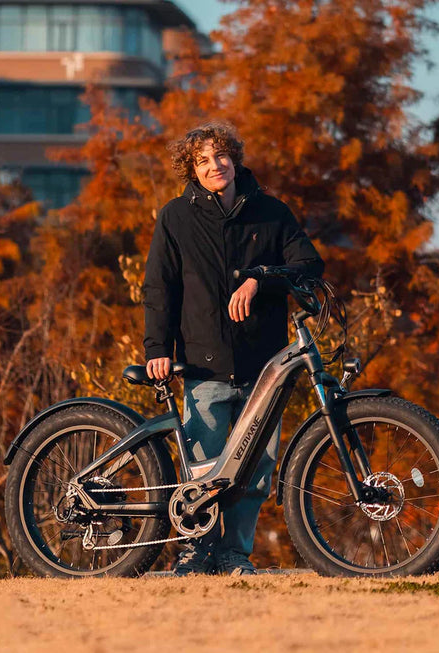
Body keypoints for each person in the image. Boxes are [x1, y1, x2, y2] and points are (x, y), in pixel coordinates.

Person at [142, 123, 324, 576]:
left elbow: (309, 263)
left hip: (265, 364)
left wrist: (260, 277)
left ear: (234, 159)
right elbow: (159, 288)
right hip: (203, 363)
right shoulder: (175, 217)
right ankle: (193, 553)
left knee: (256, 471)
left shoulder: (271, 211)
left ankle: (234, 555)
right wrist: (157, 347)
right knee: (202, 470)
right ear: (192, 169)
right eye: (202, 161)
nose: (214, 166)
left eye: (220, 156)